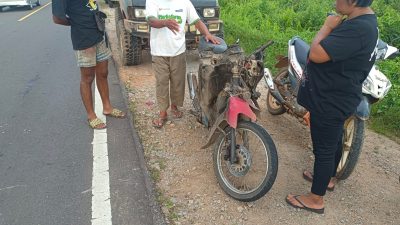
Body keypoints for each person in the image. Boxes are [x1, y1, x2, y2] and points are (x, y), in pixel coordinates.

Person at [286, 0, 378, 214]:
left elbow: (316, 54)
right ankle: (327, 179)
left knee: (324, 149)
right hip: (342, 95)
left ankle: (315, 199)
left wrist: (327, 27)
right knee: (334, 142)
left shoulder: (358, 28)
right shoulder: (366, 21)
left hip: (331, 100)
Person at [145, 0, 220, 128]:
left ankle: (174, 106)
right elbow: (151, 20)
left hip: (178, 50)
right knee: (162, 82)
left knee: (178, 81)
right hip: (159, 51)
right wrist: (165, 22)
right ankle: (162, 113)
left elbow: (197, 21)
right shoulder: (152, 1)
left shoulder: (184, 2)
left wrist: (207, 34)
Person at [52, 0, 125, 130]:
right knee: (87, 78)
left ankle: (107, 107)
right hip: (83, 39)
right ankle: (91, 116)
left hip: (98, 34)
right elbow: (57, 18)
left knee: (103, 73)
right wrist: (77, 23)